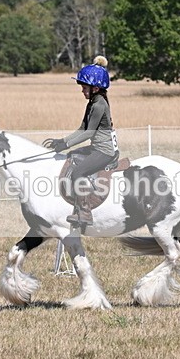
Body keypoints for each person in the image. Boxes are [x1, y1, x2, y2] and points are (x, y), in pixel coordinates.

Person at [43, 55, 118, 230]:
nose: (82, 91)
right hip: (96, 147)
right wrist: (62, 142)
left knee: (78, 173)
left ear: (96, 88)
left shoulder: (99, 105)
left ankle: (84, 212)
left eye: (85, 87)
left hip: (104, 152)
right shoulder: (92, 102)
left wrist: (66, 144)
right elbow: (81, 129)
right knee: (71, 157)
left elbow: (89, 133)